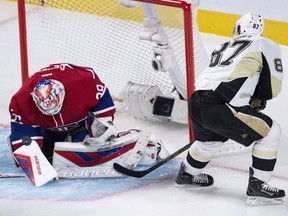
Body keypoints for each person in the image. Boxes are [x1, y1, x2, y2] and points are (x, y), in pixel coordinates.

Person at [175, 13, 285, 205]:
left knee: (210, 140)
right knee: (270, 131)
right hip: (221, 105)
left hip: (196, 101)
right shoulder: (264, 43)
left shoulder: (223, 46)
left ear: (238, 29)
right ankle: (258, 185)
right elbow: (272, 86)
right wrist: (259, 97)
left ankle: (188, 174)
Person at [9, 63, 167, 168]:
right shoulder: (21, 101)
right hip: (48, 131)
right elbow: (26, 142)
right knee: (33, 154)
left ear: (61, 93)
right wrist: (31, 156)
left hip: (80, 125)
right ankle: (57, 144)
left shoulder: (82, 84)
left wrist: (103, 127)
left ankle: (140, 142)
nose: (53, 112)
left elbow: (102, 97)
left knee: (101, 140)